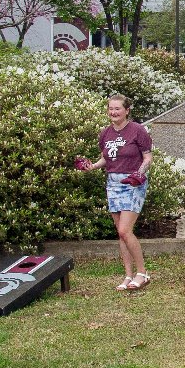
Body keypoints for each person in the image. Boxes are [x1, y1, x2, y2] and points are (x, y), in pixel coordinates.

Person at [76, 94, 154, 291]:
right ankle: (128, 275)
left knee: (124, 231)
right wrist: (91, 166)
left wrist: (139, 173)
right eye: (111, 109)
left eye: (117, 109)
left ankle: (142, 273)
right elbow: (106, 159)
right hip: (113, 183)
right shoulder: (106, 133)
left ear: (127, 110)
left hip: (133, 183)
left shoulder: (137, 130)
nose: (113, 112)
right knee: (121, 235)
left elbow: (147, 158)